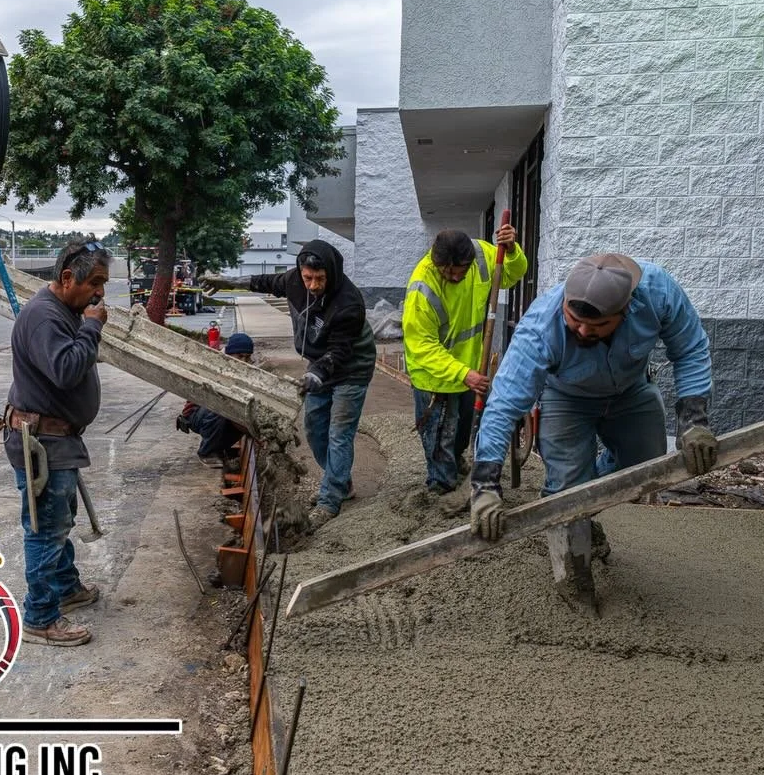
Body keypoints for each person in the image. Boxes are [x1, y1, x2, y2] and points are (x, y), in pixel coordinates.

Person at [468, 253, 717, 617]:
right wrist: (484, 486)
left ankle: (580, 505)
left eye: (597, 325)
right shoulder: (541, 326)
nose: (583, 332)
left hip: (631, 390)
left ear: (626, 310)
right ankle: (574, 580)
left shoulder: (657, 291)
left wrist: (694, 422)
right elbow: (504, 405)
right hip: (566, 397)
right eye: (575, 321)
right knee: (568, 490)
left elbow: (690, 348)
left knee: (645, 468)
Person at [202, 240, 376, 527]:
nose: (313, 285)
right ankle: (340, 482)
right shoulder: (294, 281)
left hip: (351, 367)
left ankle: (330, 500)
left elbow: (339, 352)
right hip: (319, 362)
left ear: (331, 273)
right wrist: (228, 282)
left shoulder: (348, 303)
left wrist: (315, 375)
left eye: (320, 279)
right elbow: (264, 281)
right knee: (315, 429)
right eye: (308, 278)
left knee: (339, 433)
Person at [2, 238, 112, 647]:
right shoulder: (45, 317)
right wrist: (93, 328)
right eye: (94, 283)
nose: (99, 293)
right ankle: (40, 617)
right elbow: (65, 370)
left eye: (103, 283)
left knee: (59, 517)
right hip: (43, 441)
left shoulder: (63, 311)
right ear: (67, 278)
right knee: (46, 528)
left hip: (56, 438)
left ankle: (65, 588)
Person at [403, 218, 526, 494]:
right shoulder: (422, 288)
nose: (456, 278)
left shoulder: (481, 255)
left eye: (461, 272)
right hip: (434, 377)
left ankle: (456, 464)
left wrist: (512, 250)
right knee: (439, 437)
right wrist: (463, 374)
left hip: (471, 367)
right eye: (449, 273)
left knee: (461, 431)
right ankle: (440, 487)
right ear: (436, 262)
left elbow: (511, 274)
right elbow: (423, 347)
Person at [176, 331, 254, 467]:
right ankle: (206, 452)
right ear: (229, 354)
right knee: (221, 409)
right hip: (198, 413)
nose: (243, 361)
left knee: (242, 419)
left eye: (247, 357)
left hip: (217, 411)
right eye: (240, 356)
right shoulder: (216, 366)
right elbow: (223, 402)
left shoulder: (244, 370)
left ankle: (219, 448)